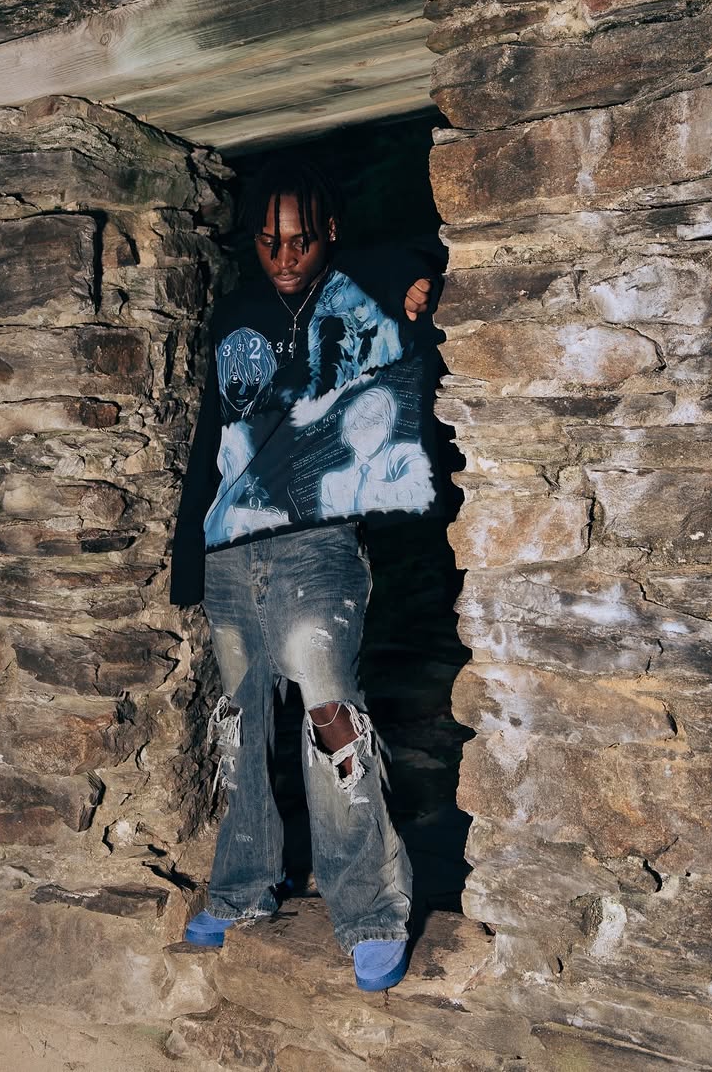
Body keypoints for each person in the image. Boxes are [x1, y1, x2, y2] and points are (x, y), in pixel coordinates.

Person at [169, 154, 442, 992]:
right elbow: (211, 435)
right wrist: (189, 551)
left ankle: (369, 911)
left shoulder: (356, 293)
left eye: (300, 240)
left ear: (328, 234)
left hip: (317, 548)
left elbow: (420, 253)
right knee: (240, 725)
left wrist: (411, 276)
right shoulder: (234, 315)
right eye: (268, 241)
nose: (284, 257)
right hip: (229, 549)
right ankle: (244, 886)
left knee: (331, 717)